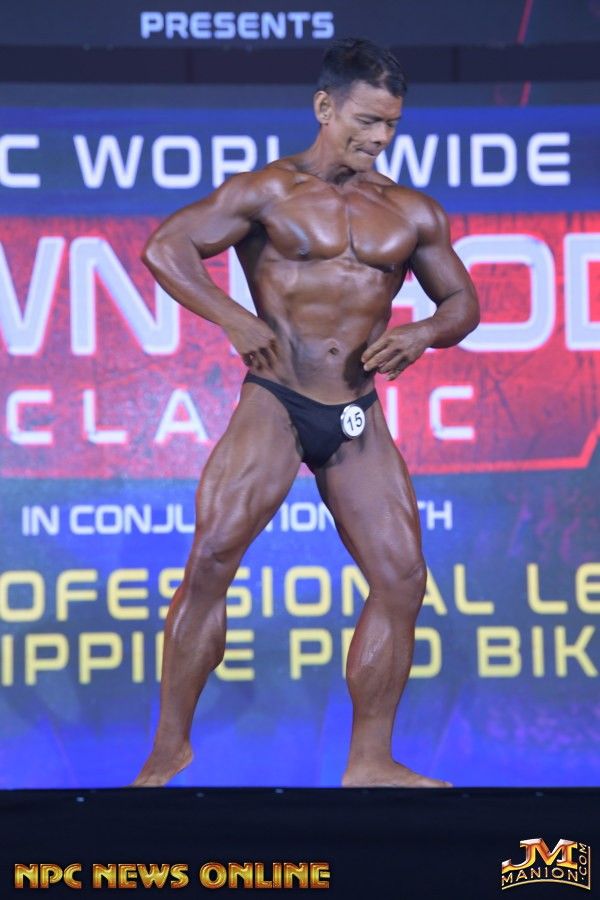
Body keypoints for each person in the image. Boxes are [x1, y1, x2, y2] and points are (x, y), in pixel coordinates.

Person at [134, 38, 479, 788]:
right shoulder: (267, 191)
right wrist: (232, 316)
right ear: (325, 107)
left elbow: (462, 302)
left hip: (356, 411)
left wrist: (423, 331)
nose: (379, 138)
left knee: (402, 577)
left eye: (390, 124)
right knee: (212, 557)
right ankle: (168, 749)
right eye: (366, 120)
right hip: (278, 398)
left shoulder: (411, 211)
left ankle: (370, 761)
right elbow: (166, 247)